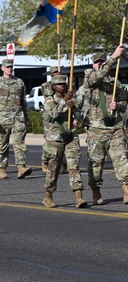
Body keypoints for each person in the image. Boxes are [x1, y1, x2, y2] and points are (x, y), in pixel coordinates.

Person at [79, 46, 128, 204]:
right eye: (97, 62)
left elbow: (125, 101)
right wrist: (113, 57)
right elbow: (96, 78)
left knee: (121, 158)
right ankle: (96, 191)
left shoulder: (115, 83)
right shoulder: (89, 78)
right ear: (93, 65)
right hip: (96, 129)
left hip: (115, 128)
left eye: (102, 61)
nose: (100, 64)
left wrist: (118, 106)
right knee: (96, 163)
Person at [40, 73, 87, 208]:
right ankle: (48, 196)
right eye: (60, 84)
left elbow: (80, 117)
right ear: (54, 86)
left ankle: (79, 196)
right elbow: (54, 113)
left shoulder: (70, 98)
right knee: (53, 169)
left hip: (70, 136)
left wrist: (74, 107)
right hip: (55, 139)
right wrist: (65, 101)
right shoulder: (50, 100)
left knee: (74, 166)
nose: (63, 86)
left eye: (64, 84)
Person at [0, 58, 31, 180]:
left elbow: (24, 101)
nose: (9, 68)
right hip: (2, 119)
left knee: (19, 143)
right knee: (2, 145)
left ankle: (21, 167)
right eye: (7, 67)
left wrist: (27, 117)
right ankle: (2, 168)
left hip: (18, 117)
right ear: (2, 68)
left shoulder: (19, 82)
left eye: (11, 66)